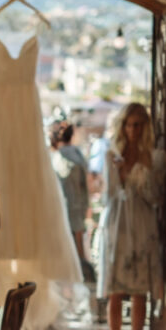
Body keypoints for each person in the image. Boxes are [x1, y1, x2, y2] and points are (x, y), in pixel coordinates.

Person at [95, 103, 165, 330]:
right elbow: (107, 195)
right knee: (115, 290)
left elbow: (155, 196)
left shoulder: (155, 157)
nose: (133, 130)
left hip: (143, 222)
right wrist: (119, 173)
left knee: (139, 292)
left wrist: (137, 174)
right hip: (117, 223)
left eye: (138, 124)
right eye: (129, 124)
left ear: (145, 127)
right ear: (122, 126)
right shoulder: (112, 154)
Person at [48, 120, 94, 281]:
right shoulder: (77, 154)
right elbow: (85, 183)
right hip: (78, 204)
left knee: (71, 242)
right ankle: (81, 274)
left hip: (66, 205)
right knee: (79, 240)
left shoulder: (58, 157)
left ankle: (77, 275)